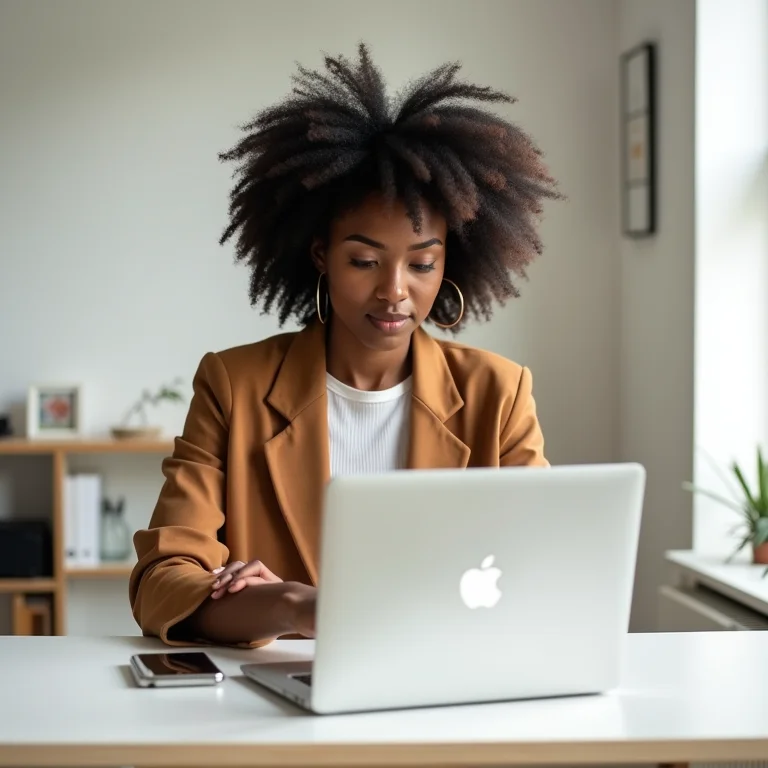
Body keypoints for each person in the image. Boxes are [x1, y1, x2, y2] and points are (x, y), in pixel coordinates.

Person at [129, 44, 561, 648]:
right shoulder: (234, 386)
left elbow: (546, 570)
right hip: (286, 692)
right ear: (321, 257)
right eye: (363, 260)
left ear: (449, 265)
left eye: (422, 264)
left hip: (448, 679)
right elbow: (162, 581)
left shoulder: (499, 394)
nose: (394, 291)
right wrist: (290, 605)